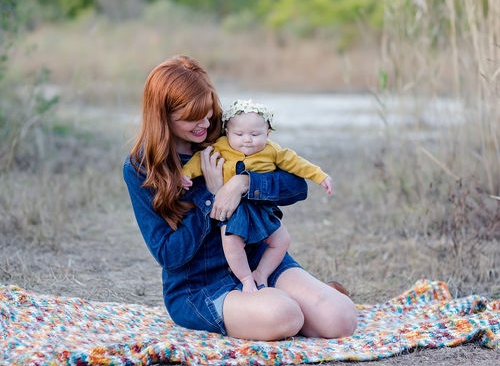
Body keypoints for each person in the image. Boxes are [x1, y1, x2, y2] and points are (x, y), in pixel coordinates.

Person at [123, 55, 357, 341]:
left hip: (258, 261)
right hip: (200, 285)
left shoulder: (226, 136)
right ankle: (283, 304)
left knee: (342, 320)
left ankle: (299, 300)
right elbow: (168, 255)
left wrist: (241, 183)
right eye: (191, 117)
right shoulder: (141, 169)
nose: (204, 124)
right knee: (284, 315)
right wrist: (211, 197)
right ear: (163, 115)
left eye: (208, 112)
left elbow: (297, 186)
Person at [181, 99, 334, 294]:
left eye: (255, 134)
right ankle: (246, 279)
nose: (247, 139)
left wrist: (320, 176)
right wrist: (185, 174)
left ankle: (261, 274)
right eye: (239, 134)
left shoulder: (273, 151)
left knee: (282, 240)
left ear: (267, 133)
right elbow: (197, 161)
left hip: (260, 208)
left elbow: (297, 164)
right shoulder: (220, 146)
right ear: (227, 132)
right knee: (231, 242)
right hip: (233, 209)